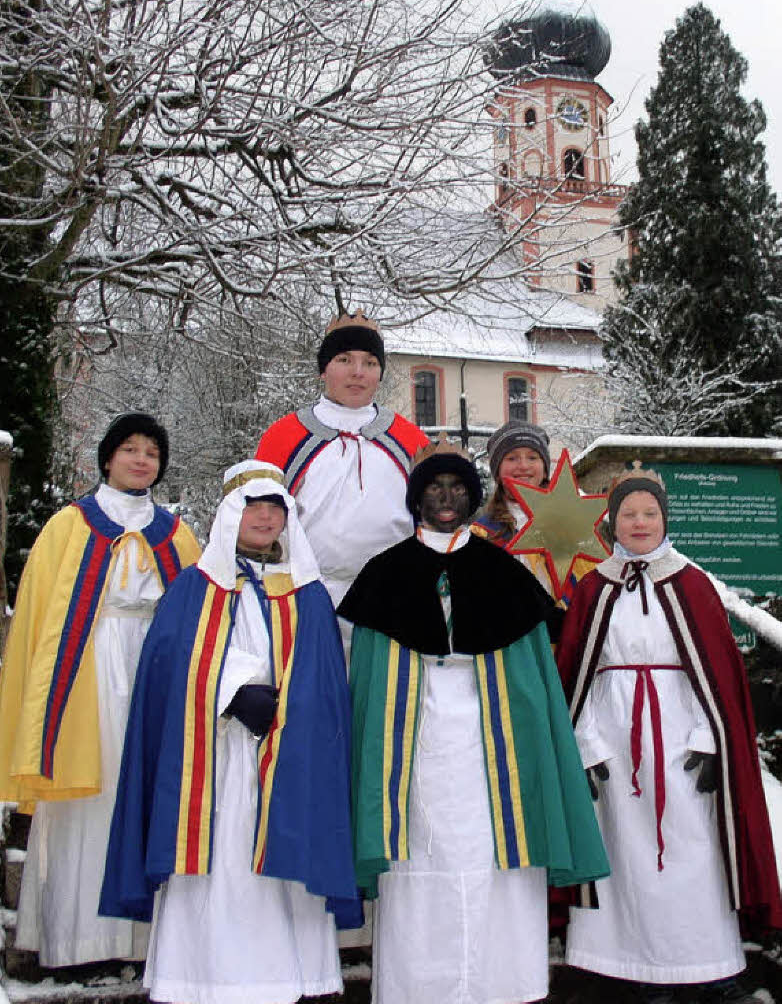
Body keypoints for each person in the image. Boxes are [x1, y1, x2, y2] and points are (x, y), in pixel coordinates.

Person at [339, 438, 609, 1004]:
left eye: (458, 489)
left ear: (471, 498)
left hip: (493, 747)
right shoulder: (384, 574)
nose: (445, 498)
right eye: (434, 488)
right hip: (413, 744)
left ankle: (503, 987)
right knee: (416, 862)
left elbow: (531, 683)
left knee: (497, 864)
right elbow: (368, 680)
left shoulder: (503, 573)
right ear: (416, 499)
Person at [100, 460, 360, 1004]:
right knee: (223, 864)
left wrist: (290, 708)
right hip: (215, 759)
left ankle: (288, 977)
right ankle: (206, 977)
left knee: (280, 860)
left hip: (287, 751)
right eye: (254, 506)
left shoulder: (308, 592)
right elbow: (171, 666)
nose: (265, 518)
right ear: (230, 515)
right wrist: (234, 691)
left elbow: (325, 675)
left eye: (275, 508)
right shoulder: (194, 588)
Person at [556, 467, 782, 1003]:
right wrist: (584, 744)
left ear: (664, 519)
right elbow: (579, 673)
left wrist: (711, 741)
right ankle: (625, 965)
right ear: (611, 522)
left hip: (681, 734)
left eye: (649, 513)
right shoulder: (593, 586)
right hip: (613, 732)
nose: (639, 523)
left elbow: (716, 677)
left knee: (691, 846)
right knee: (619, 847)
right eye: (629, 514)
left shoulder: (692, 582)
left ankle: (703, 963)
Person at [0, 412, 200, 967]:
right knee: (94, 789)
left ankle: (148, 940)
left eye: (152, 452)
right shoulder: (69, 525)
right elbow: (40, 613)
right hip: (87, 669)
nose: (141, 460)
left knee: (148, 786)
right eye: (130, 449)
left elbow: (200, 611)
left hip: (154, 665)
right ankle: (80, 939)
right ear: (108, 458)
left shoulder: (177, 533)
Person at [256, 309, 428, 613]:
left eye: (370, 363)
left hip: (394, 598)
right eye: (344, 360)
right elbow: (256, 523)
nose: (358, 372)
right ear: (323, 369)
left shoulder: (411, 440)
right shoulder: (284, 438)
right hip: (308, 596)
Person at [472, 420, 594, 603]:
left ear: (545, 470)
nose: (523, 466)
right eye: (512, 458)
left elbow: (590, 590)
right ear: (497, 472)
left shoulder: (573, 527)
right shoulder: (482, 534)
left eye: (532, 457)